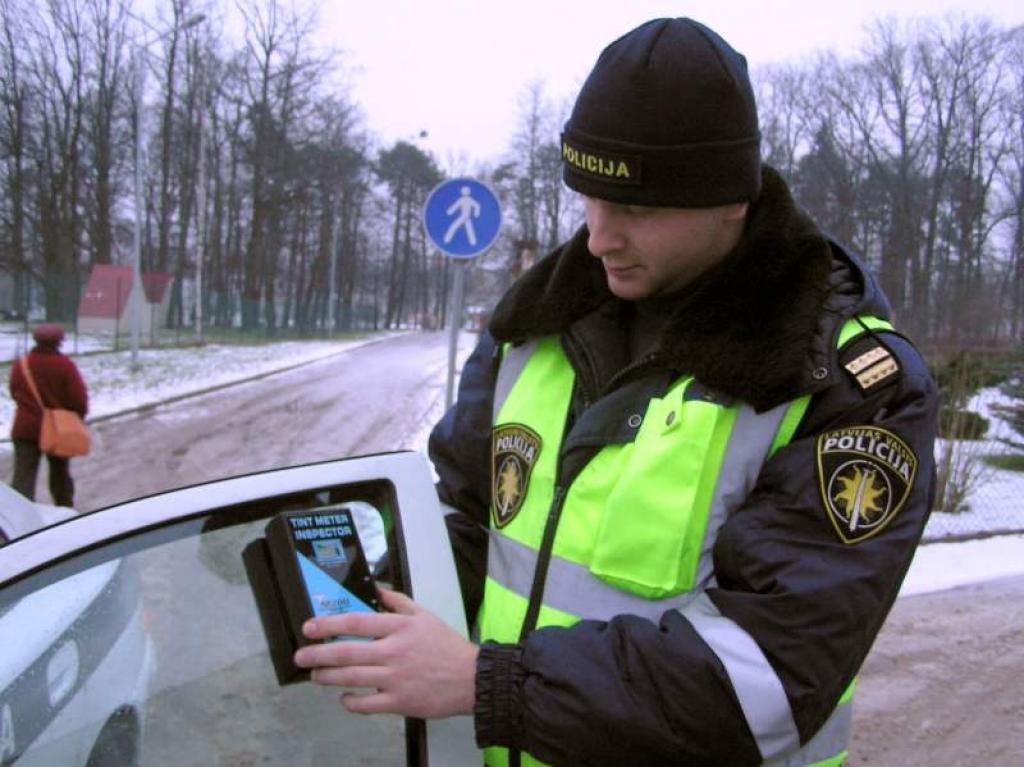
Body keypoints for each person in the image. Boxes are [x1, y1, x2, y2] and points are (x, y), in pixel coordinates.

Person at [294, 17, 938, 766]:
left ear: (733, 200)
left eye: (636, 207)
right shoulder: (530, 330)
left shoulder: (847, 386)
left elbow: (769, 675)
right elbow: (471, 521)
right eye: (589, 196)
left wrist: (486, 683)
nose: (599, 236)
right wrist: (354, 589)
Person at [8, 323, 88, 507]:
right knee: (60, 475)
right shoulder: (65, 366)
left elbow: (14, 391)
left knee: (23, 476)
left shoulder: (22, 364)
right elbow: (78, 399)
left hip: (25, 429)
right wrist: (76, 418)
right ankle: (64, 511)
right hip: (59, 429)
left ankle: (20, 515)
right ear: (59, 342)